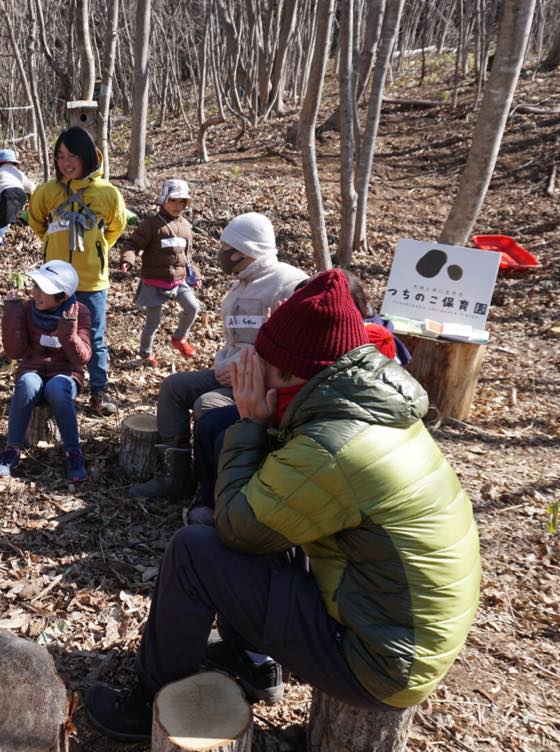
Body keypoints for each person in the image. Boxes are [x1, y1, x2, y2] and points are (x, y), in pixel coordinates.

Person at [85, 270, 482, 742]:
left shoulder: (334, 447)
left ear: (296, 376)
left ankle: (145, 702)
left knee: (194, 552)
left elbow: (236, 527)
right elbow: (270, 507)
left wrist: (250, 423)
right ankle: (250, 661)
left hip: (381, 661)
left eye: (264, 365)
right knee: (272, 528)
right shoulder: (365, 407)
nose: (251, 370)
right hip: (394, 628)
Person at [184, 268, 412, 526]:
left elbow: (303, 392)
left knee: (226, 436)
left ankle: (225, 512)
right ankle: (209, 500)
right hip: (292, 409)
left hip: (311, 426)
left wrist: (253, 421)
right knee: (212, 421)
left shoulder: (367, 341)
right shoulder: (309, 342)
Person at [130, 212, 307, 500]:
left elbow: (293, 350)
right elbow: (236, 340)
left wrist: (247, 370)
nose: (222, 253)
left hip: (264, 382)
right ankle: (176, 476)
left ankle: (214, 485)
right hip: (229, 372)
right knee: (175, 386)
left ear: (247, 250)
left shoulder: (288, 283)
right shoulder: (242, 282)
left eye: (227, 248)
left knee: (208, 404)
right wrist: (229, 365)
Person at [28, 126, 128, 416]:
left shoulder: (107, 193)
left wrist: (99, 248)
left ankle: (98, 391)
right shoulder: (47, 191)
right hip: (54, 281)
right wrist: (52, 244)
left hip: (91, 280)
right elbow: (36, 220)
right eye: (60, 156)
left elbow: (117, 225)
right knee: (52, 332)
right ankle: (58, 385)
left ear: (87, 156)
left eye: (72, 156)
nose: (66, 163)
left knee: (93, 336)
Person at [0, 260, 92, 483]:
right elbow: (15, 351)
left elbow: (82, 358)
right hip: (33, 368)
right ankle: (11, 450)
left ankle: (73, 453)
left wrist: (68, 332)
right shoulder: (27, 309)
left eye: (43, 289)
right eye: (35, 286)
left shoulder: (79, 312)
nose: (35, 293)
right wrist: (12, 314)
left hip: (66, 372)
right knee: (26, 385)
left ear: (62, 295)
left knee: (58, 389)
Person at [119, 178, 200, 367]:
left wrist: (195, 274)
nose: (177, 205)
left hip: (178, 280)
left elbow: (187, 255)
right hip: (154, 281)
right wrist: (128, 259)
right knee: (153, 322)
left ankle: (179, 338)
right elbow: (133, 244)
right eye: (173, 200)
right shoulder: (151, 224)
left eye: (182, 201)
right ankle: (145, 354)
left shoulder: (186, 226)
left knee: (193, 307)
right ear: (163, 201)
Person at [0, 148, 36, 252]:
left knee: (1, 218)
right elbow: (30, 186)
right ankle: (19, 220)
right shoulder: (18, 172)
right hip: (21, 195)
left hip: (8, 194)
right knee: (13, 210)